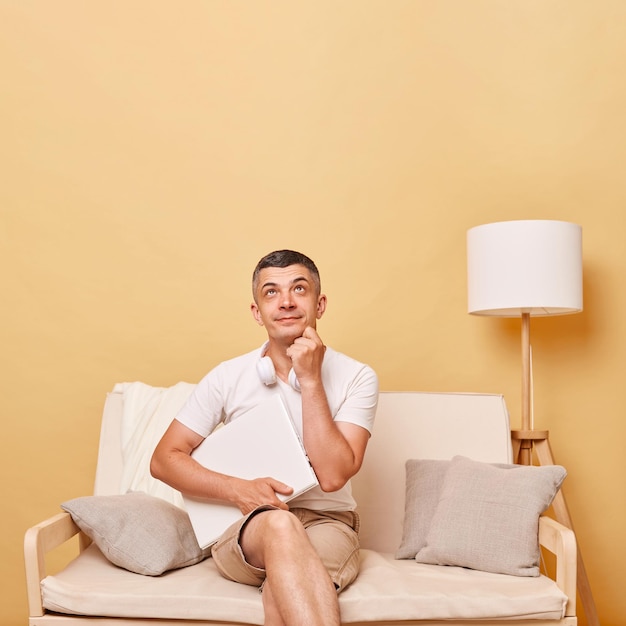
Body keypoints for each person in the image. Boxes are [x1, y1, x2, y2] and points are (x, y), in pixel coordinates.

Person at [150, 249, 378, 626]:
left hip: (327, 522)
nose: (286, 301)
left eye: (298, 289)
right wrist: (237, 490)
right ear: (257, 312)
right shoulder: (227, 376)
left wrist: (310, 380)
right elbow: (164, 459)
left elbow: (334, 476)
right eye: (271, 292)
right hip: (249, 526)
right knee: (278, 524)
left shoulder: (358, 376)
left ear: (319, 304)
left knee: (284, 587)